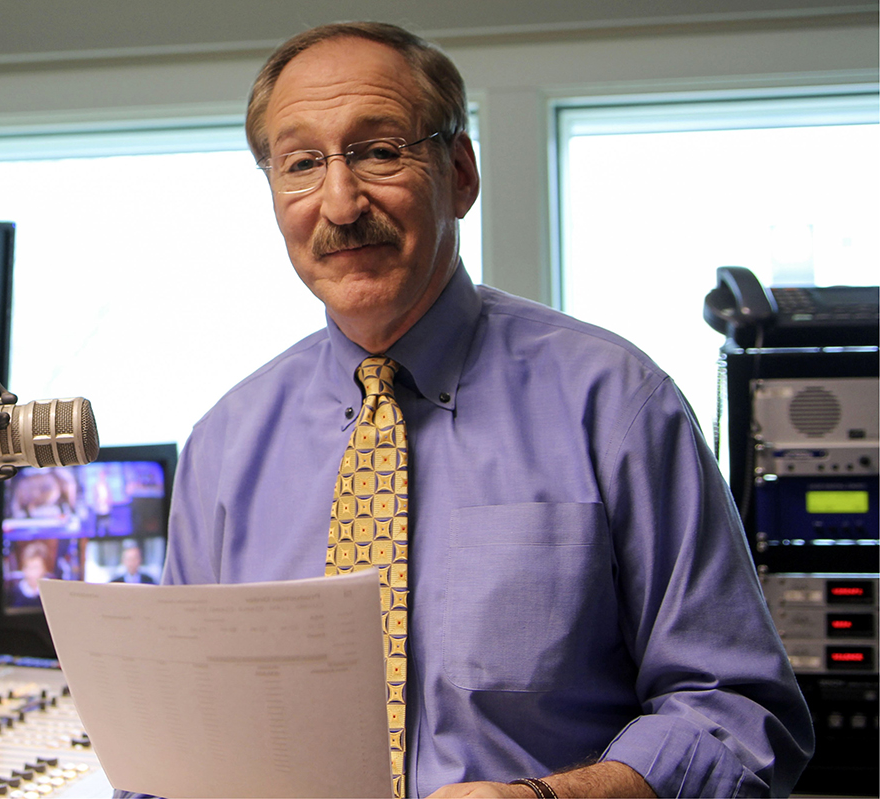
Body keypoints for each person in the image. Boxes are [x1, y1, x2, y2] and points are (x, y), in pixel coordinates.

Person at [156, 20, 813, 799]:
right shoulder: (223, 446)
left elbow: (736, 710)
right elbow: (181, 734)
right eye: (301, 164)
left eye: (378, 150)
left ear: (459, 172)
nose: (339, 201)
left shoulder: (616, 402)